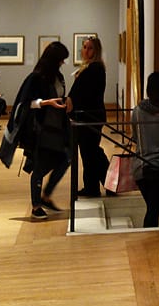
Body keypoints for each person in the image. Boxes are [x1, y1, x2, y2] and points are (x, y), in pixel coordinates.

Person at [18, 41, 73, 219]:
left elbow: (60, 95)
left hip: (58, 126)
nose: (63, 63)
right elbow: (25, 104)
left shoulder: (59, 76)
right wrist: (46, 102)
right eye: (61, 59)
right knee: (41, 166)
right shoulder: (36, 77)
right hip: (42, 129)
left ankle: (46, 195)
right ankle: (36, 205)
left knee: (65, 158)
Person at [68, 36, 108, 197]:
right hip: (87, 116)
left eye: (90, 48)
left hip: (90, 117)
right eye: (84, 47)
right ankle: (95, 185)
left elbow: (80, 93)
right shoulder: (90, 68)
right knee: (90, 153)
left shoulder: (95, 69)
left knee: (91, 152)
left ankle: (105, 183)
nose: (86, 50)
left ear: (96, 50)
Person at [132, 71, 159, 228]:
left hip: (140, 168)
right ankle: (149, 243)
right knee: (153, 211)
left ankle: (150, 239)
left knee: (152, 209)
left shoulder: (138, 110)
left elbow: (135, 137)